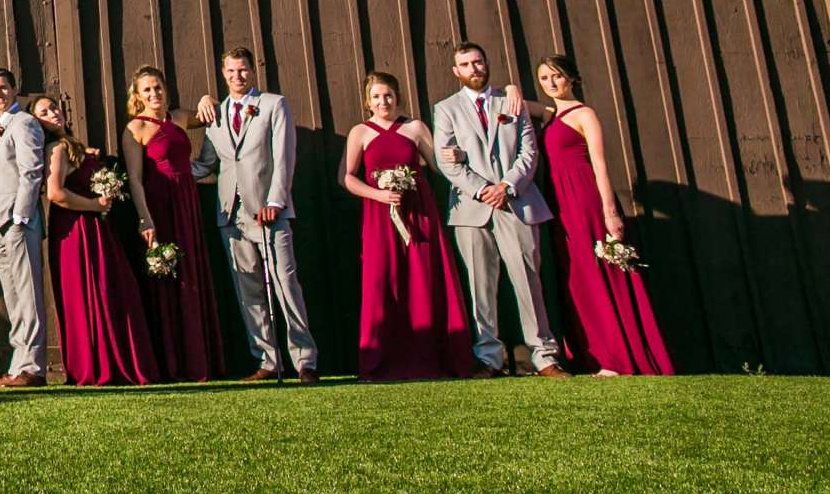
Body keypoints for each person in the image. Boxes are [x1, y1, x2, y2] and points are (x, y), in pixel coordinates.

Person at [505, 56, 673, 376]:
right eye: (544, 78)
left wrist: (610, 213)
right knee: (579, 279)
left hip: (586, 202)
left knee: (602, 276)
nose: (551, 83)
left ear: (572, 79)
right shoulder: (553, 114)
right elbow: (519, 103)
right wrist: (513, 86)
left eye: (557, 77)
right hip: (561, 206)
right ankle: (596, 355)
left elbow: (600, 165)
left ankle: (619, 358)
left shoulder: (584, 114)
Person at [431, 42, 566, 378]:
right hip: (471, 209)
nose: (473, 69)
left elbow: (528, 151)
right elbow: (446, 159)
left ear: (487, 63)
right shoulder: (445, 109)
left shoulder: (511, 103)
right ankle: (489, 357)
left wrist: (506, 186)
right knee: (480, 285)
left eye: (478, 62)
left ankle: (544, 355)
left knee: (528, 281)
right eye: (465, 64)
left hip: (515, 202)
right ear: (456, 71)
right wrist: (481, 189)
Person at [191, 48, 320, 384]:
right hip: (230, 215)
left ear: (253, 70)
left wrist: (276, 201)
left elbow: (283, 156)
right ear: (223, 73)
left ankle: (305, 360)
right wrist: (164, 171)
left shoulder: (273, 105)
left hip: (267, 211)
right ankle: (267, 359)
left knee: (285, 284)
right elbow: (205, 164)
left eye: (243, 70)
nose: (238, 76)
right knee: (248, 290)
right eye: (232, 71)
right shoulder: (216, 114)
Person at [340, 72, 475, 380]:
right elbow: (346, 177)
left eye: (387, 95)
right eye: (376, 97)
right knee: (382, 280)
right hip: (379, 216)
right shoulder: (360, 132)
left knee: (423, 277)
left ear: (397, 96)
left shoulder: (414, 128)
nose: (382, 102)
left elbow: (440, 168)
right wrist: (379, 194)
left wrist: (458, 156)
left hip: (418, 212)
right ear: (367, 101)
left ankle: (431, 356)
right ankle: (380, 361)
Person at [33, 96, 157, 387]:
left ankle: (117, 360)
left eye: (54, 107)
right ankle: (95, 364)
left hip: (96, 228)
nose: (53, 113)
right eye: (44, 112)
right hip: (76, 230)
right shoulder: (55, 148)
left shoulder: (72, 145)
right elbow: (55, 193)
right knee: (91, 291)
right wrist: (96, 204)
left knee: (113, 289)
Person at [122, 65, 225, 383]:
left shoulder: (179, 118)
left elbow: (212, 115)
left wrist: (208, 97)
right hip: (159, 204)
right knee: (169, 276)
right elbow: (136, 180)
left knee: (192, 272)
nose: (155, 94)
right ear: (138, 96)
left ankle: (200, 358)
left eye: (158, 87)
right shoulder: (136, 128)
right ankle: (173, 361)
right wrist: (145, 219)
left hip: (187, 202)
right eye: (147, 90)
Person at [0, 69, 49, 389]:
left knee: (28, 295)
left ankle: (33, 367)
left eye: (3, 88)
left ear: (14, 88)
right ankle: (17, 365)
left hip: (17, 224)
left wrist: (20, 218)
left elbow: (31, 171)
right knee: (13, 298)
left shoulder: (25, 123)